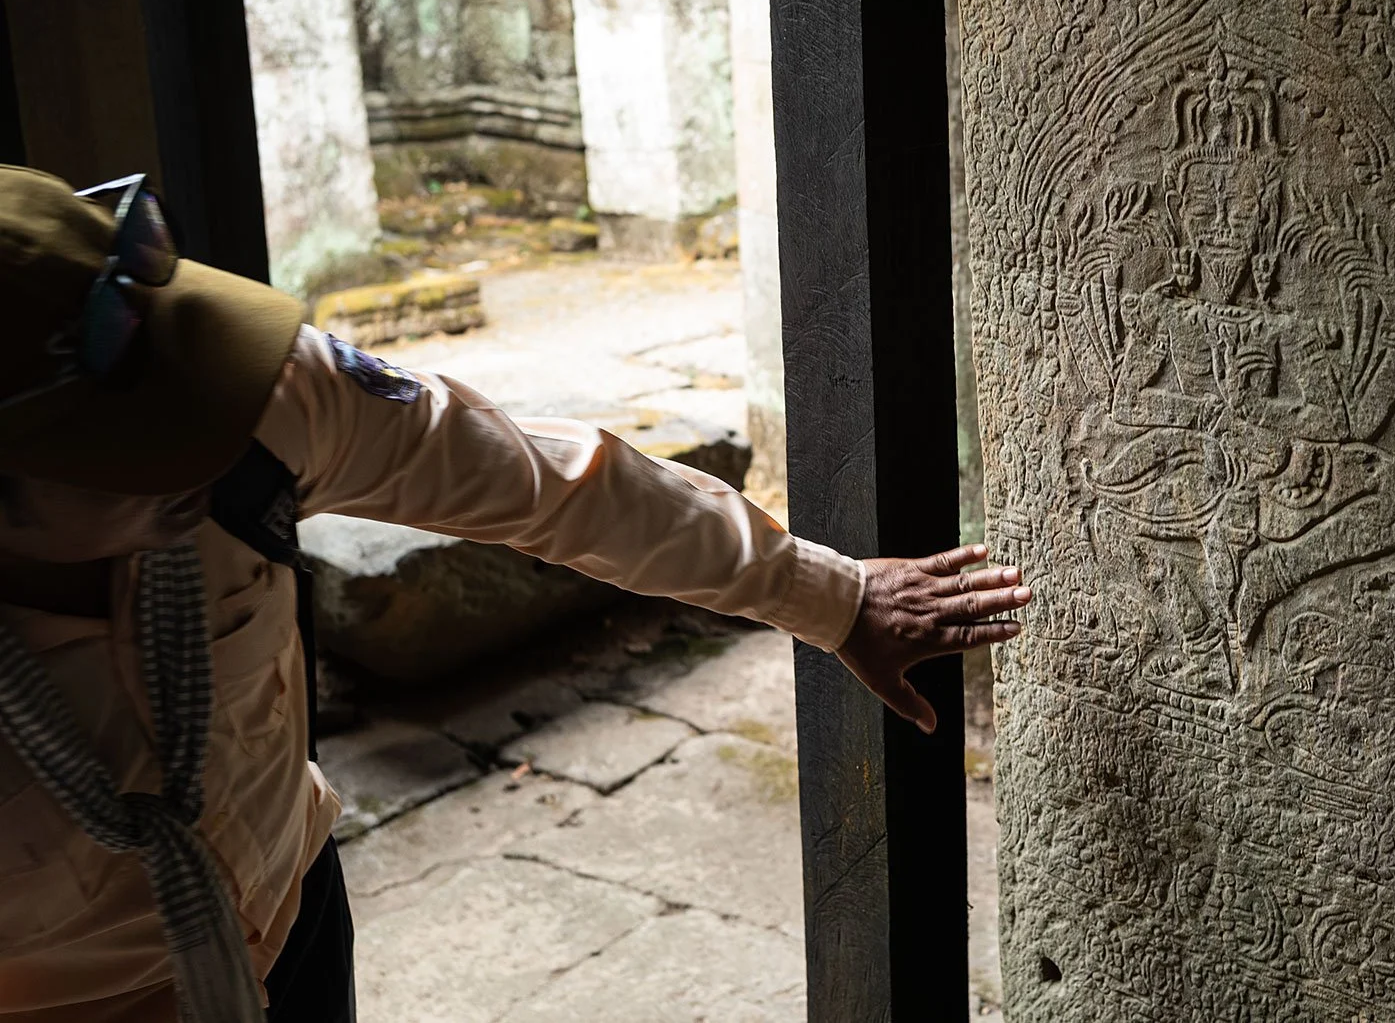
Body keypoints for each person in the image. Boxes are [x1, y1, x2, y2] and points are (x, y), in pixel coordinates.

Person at [0, 166, 1030, 1021]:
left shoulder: (246, 392)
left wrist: (829, 592)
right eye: (143, 452)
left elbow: (547, 483)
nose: (204, 438)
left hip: (285, 906)